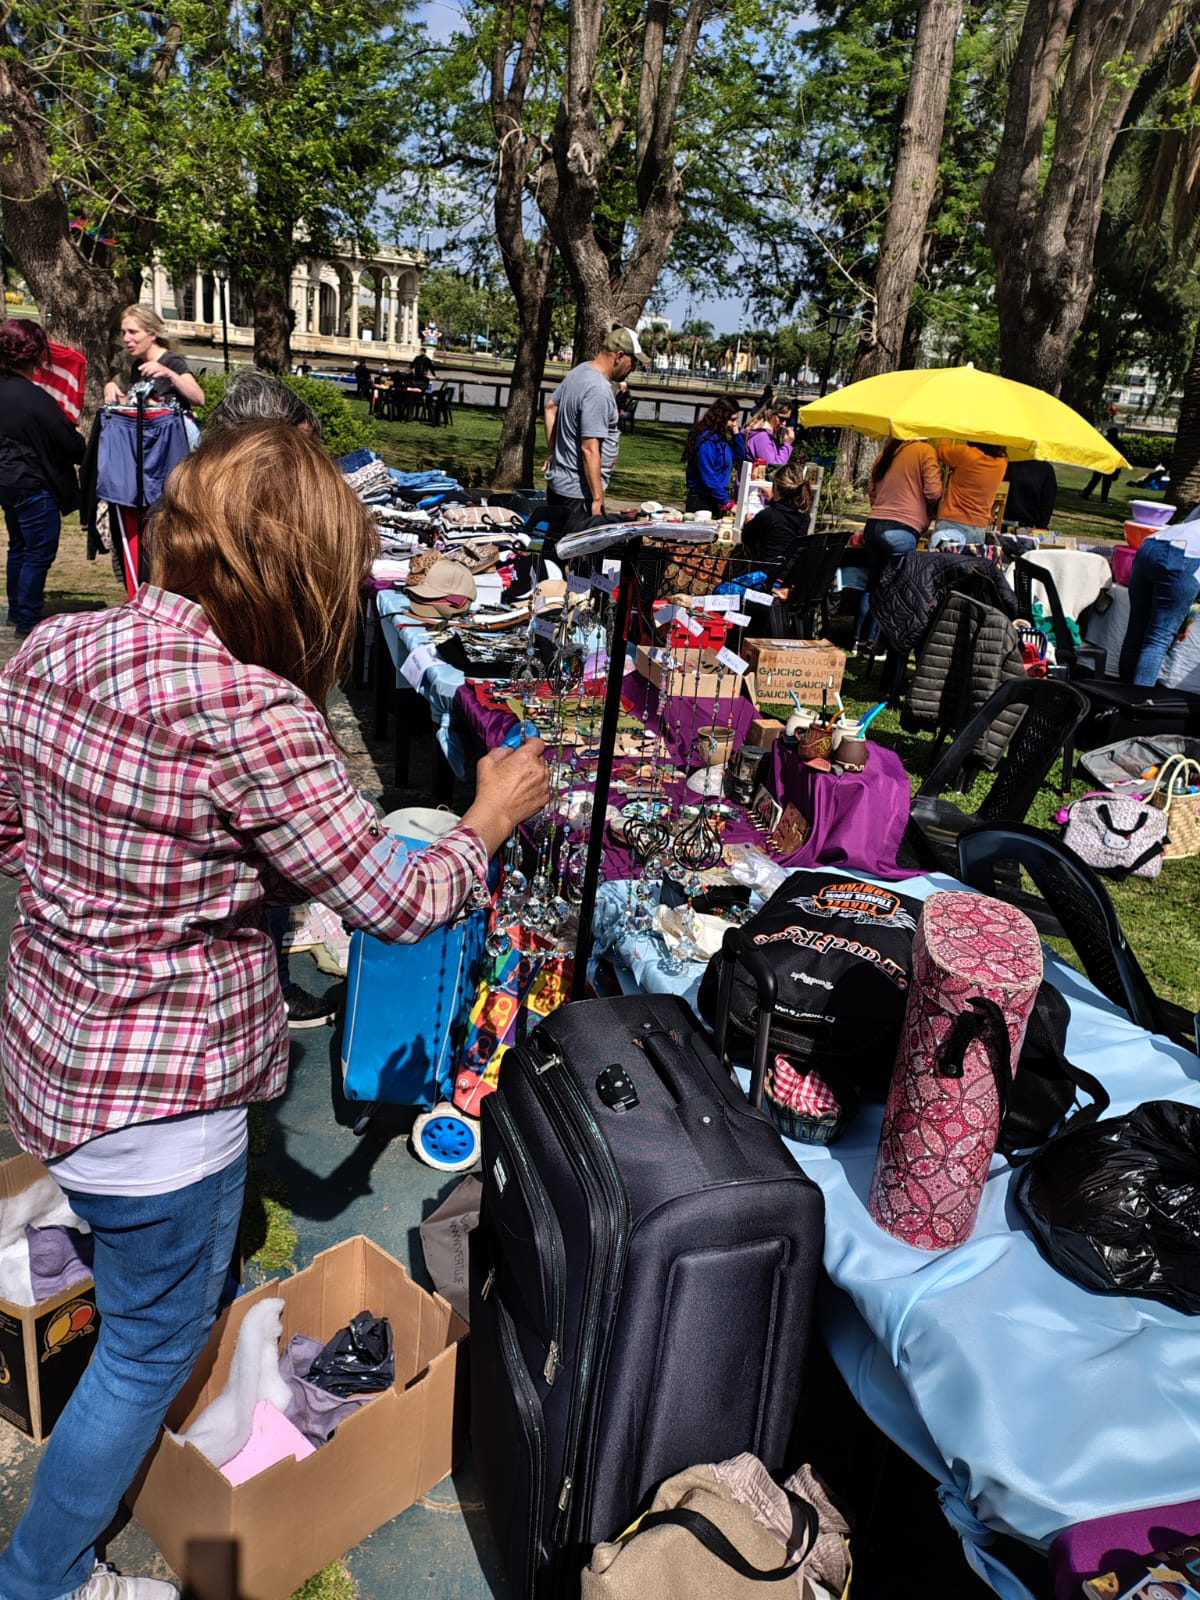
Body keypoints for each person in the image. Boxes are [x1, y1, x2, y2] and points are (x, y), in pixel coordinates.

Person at [0, 421, 550, 1600]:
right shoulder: (253, 713)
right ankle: (45, 1577)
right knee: (145, 1351)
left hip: (51, 1061)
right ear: (301, 576)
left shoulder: (51, 647)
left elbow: (11, 828)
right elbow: (401, 900)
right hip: (162, 1112)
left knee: (147, 1296)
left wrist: (143, 882)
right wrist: (488, 815)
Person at [0, 319, 87, 640]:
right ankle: (27, 618)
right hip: (33, 483)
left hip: (6, 482)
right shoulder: (36, 399)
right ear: (35, 354)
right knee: (38, 551)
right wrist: (79, 439)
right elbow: (71, 446)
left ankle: (17, 610)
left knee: (19, 546)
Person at [543, 326, 643, 532]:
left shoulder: (579, 371)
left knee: (555, 545)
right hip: (579, 494)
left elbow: (550, 407)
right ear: (619, 356)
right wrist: (598, 498)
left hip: (559, 485)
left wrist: (553, 452)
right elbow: (589, 448)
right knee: (575, 550)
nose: (633, 368)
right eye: (633, 361)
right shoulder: (598, 390)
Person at [852, 437, 942, 652]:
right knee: (893, 587)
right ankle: (875, 644)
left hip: (874, 523)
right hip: (903, 527)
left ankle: (857, 639)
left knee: (873, 585)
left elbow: (872, 491)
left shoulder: (887, 452)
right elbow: (934, 491)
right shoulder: (925, 451)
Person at [1118, 516, 1200, 687]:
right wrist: (1191, 615)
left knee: (1135, 632)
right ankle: (1138, 701)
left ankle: (1122, 694)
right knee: (1157, 641)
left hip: (1151, 544)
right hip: (1186, 556)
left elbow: (1186, 524)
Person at [103, 306, 205, 411]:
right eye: (124, 333)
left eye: (132, 332)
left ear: (152, 334)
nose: (126, 338)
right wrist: (114, 393)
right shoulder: (138, 364)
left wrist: (170, 374)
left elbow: (199, 399)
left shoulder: (172, 361)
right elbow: (136, 404)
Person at [930, 439, 1007, 547]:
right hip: (978, 529)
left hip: (951, 522)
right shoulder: (1002, 463)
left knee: (940, 558)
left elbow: (941, 451)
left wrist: (947, 437)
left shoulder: (965, 453)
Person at [740, 455, 815, 566]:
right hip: (790, 571)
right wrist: (772, 499)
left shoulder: (768, 515)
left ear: (775, 488)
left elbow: (747, 539)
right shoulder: (804, 516)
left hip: (766, 573)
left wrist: (748, 523)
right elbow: (784, 514)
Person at [682, 397, 740, 516]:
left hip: (717, 498)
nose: (734, 424)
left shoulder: (721, 439)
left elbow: (740, 456)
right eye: (732, 420)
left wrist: (736, 433)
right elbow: (708, 476)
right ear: (721, 418)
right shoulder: (708, 441)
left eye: (736, 420)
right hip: (702, 500)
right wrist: (727, 503)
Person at [1003, 457, 1058, 530]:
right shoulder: (1045, 469)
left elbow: (1047, 501)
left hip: (1002, 521)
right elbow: (1047, 501)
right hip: (1024, 525)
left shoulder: (1006, 462)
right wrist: (1042, 526)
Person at [742, 398, 795, 466]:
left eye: (788, 419)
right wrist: (787, 444)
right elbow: (773, 468)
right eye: (781, 418)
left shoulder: (765, 433)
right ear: (770, 414)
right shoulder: (762, 437)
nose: (784, 423)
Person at [1080, 427, 1122, 501]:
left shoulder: (1104, 440)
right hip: (1110, 464)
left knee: (1095, 480)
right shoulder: (1118, 443)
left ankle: (1086, 493)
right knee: (1107, 483)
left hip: (1101, 463)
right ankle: (1104, 498)